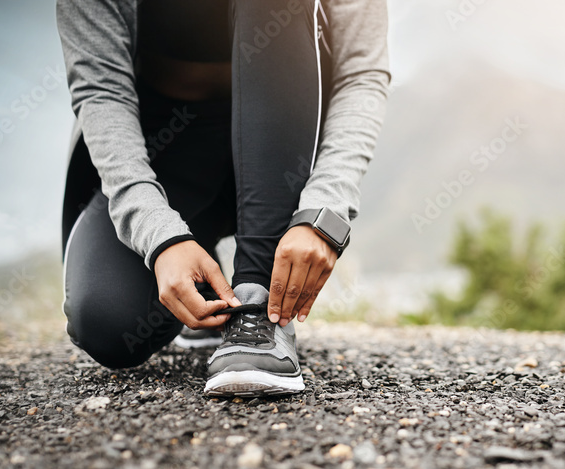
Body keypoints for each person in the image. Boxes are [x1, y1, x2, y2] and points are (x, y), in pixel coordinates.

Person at [56, 0, 389, 397]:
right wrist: (161, 238)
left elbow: (362, 73)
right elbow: (101, 88)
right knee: (107, 323)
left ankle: (256, 307)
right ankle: (210, 287)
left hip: (285, 140)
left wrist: (325, 212)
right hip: (165, 149)